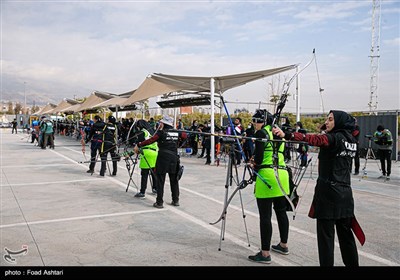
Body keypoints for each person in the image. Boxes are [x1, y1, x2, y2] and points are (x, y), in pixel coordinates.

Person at [272, 110, 361, 267]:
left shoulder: (333, 138)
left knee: (326, 238)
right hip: (345, 195)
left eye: (331, 119)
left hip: (328, 194)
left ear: (339, 122)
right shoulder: (352, 140)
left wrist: (288, 134)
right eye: (327, 119)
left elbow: (314, 139)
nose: (327, 122)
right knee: (346, 237)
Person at [248, 109, 290, 265]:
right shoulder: (279, 132)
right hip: (282, 175)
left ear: (262, 121)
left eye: (256, 120)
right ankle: (283, 245)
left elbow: (259, 158)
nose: (254, 123)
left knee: (265, 216)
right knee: (281, 212)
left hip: (267, 176)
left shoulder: (261, 134)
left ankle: (265, 253)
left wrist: (253, 164)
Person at [134, 115, 181, 208]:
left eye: (161, 123)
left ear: (163, 123)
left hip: (163, 158)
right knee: (174, 180)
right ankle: (175, 200)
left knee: (160, 180)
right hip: (174, 158)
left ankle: (159, 202)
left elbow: (151, 140)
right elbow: (184, 137)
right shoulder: (177, 132)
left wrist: (139, 144)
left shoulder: (161, 133)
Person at [133, 119, 158, 198]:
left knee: (144, 173)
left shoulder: (142, 132)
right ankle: (155, 188)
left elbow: (139, 144)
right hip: (155, 153)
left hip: (146, 153)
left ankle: (142, 192)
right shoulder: (152, 132)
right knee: (154, 172)